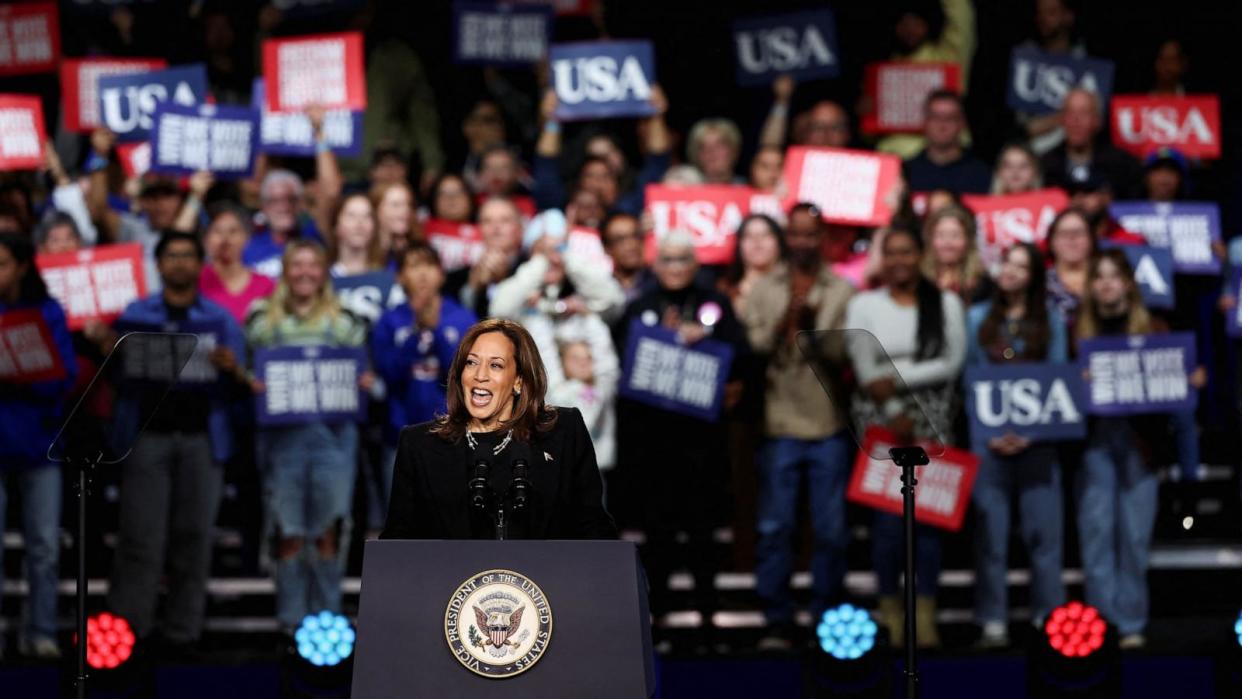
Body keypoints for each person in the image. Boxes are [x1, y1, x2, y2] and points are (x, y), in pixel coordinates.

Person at [107, 232, 248, 652]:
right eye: (172, 255)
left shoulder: (221, 319)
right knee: (140, 539)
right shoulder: (134, 314)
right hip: (147, 438)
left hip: (202, 441)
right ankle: (131, 632)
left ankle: (183, 634)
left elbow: (240, 385)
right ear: (159, 263)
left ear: (199, 263)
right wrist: (107, 350)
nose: (181, 262)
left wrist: (230, 368)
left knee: (194, 538)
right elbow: (115, 380)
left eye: (189, 255)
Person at [616, 230, 749, 651]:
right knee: (659, 539)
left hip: (702, 447)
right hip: (655, 447)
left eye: (682, 260)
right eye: (667, 260)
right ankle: (658, 624)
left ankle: (709, 621)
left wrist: (703, 340)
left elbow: (741, 355)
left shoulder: (716, 305)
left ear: (695, 264)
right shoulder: (640, 307)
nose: (675, 267)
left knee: (703, 536)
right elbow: (623, 365)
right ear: (656, 264)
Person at [381, 318, 616, 540]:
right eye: (471, 363)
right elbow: (397, 546)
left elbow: (594, 529)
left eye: (496, 365)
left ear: (519, 381)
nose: (480, 375)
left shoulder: (563, 432)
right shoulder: (420, 445)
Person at [844, 224, 967, 648]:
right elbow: (863, 371)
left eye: (907, 252)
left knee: (928, 526)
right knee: (888, 528)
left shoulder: (945, 302)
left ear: (921, 255)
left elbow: (952, 363)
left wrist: (895, 379)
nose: (899, 260)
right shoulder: (863, 305)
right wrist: (893, 410)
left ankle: (925, 614)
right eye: (891, 253)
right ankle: (892, 615)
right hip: (880, 422)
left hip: (934, 421)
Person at [1075, 249, 1204, 648]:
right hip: (1094, 441)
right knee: (1097, 531)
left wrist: (1189, 381)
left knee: (1133, 534)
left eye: (1115, 276)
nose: (1107, 284)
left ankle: (1130, 623)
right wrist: (1078, 381)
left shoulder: (1157, 328)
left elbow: (1178, 387)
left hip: (1142, 444)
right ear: (1091, 286)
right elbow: (1055, 390)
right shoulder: (1076, 333)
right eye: (1100, 277)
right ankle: (1103, 622)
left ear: (1129, 283)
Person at [741, 205, 855, 650]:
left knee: (830, 528)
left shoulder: (842, 289)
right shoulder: (765, 287)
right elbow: (753, 345)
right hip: (778, 420)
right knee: (775, 526)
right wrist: (784, 321)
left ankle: (827, 615)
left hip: (826, 421)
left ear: (823, 236)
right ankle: (776, 618)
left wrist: (814, 331)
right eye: (797, 235)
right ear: (788, 236)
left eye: (812, 236)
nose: (804, 242)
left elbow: (845, 354)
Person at [245, 240, 372, 634]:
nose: (304, 272)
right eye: (295, 264)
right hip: (282, 440)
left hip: (333, 439)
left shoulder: (346, 320)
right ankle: (290, 623)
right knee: (288, 530)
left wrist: (363, 381)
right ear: (284, 270)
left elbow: (363, 371)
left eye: (312, 265)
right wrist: (253, 384)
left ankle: (326, 622)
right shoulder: (262, 320)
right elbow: (251, 368)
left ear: (323, 272)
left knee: (327, 529)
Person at [966, 243, 1068, 647]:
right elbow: (969, 380)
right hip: (988, 443)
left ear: (1034, 277)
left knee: (1044, 535)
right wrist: (991, 433)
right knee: (991, 535)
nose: (1010, 270)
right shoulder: (976, 318)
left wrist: (1030, 434)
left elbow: (1060, 381)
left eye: (1021, 266)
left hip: (1039, 443)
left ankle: (1047, 617)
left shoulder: (1052, 320)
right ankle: (993, 620)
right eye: (1007, 262)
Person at [0, 234, 77, 660]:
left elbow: (64, 379)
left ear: (22, 267)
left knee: (44, 546)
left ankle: (42, 632)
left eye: (2, 264)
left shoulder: (46, 313)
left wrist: (23, 375)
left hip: (40, 444)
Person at [372, 243, 476, 519]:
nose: (422, 275)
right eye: (413, 266)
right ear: (400, 276)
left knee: (453, 524)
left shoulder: (463, 318)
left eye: (429, 265)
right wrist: (415, 333)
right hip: (400, 438)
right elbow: (389, 375)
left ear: (441, 274)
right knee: (400, 526)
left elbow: (466, 377)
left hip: (453, 439)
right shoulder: (389, 321)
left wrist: (437, 332)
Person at [1040, 88, 1142, 199]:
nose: (1076, 120)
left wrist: (1107, 205)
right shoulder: (1044, 165)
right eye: (1070, 113)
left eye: (1084, 113)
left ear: (1097, 121)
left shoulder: (1123, 165)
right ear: (1062, 119)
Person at [445, 197, 527, 319]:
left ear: (520, 229)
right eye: (487, 221)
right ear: (479, 229)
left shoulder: (536, 268)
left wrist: (504, 280)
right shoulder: (458, 277)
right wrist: (473, 287)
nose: (496, 227)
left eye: (505, 220)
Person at [903, 90, 991, 196]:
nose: (942, 125)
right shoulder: (908, 172)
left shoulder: (981, 173)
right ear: (925, 122)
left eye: (950, 118)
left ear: (962, 123)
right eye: (935, 117)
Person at [200, 203, 276, 326]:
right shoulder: (196, 281)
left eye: (233, 231)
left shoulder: (265, 284)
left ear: (247, 238)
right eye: (217, 231)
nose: (225, 239)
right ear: (206, 239)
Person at [718, 214, 788, 318]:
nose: (757, 241)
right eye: (748, 236)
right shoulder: (724, 289)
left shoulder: (794, 284)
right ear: (739, 245)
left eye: (765, 235)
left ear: (779, 242)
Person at [1044, 208, 1096, 342]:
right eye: (1064, 234)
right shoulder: (1040, 282)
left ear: (1091, 239)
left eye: (1078, 233)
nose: (1071, 239)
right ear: (1051, 242)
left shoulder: (1106, 277)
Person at [921, 204, 992, 302]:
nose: (947, 243)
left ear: (968, 240)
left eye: (955, 235)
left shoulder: (982, 284)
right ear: (930, 239)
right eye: (941, 235)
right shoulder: (918, 278)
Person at [372, 181, 419, 267]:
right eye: (396, 205)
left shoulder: (419, 249)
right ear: (377, 210)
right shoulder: (364, 251)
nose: (405, 210)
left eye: (408, 204)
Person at [686, 118, 744, 185]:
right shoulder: (686, 187)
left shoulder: (750, 188)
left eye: (719, 145)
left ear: (734, 150)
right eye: (703, 147)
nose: (711, 152)